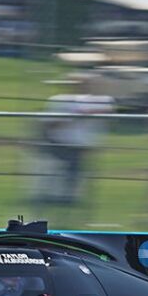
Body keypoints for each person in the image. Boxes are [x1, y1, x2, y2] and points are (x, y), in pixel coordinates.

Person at [35, 76, 115, 210]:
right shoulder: (60, 100)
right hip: (59, 142)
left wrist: (87, 113)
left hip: (81, 144)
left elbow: (109, 112)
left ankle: (64, 196)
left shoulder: (100, 100)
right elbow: (49, 124)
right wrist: (73, 117)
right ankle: (59, 196)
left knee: (73, 170)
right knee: (68, 169)